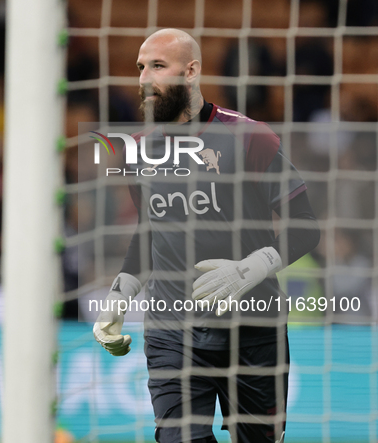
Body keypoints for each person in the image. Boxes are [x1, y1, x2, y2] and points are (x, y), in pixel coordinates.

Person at [92, 29, 320, 443]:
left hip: (253, 331)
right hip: (171, 329)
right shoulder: (137, 151)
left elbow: (305, 225)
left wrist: (251, 268)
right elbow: (150, 234)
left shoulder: (249, 137)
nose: (144, 78)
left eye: (157, 66)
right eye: (141, 67)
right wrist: (119, 296)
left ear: (191, 70)